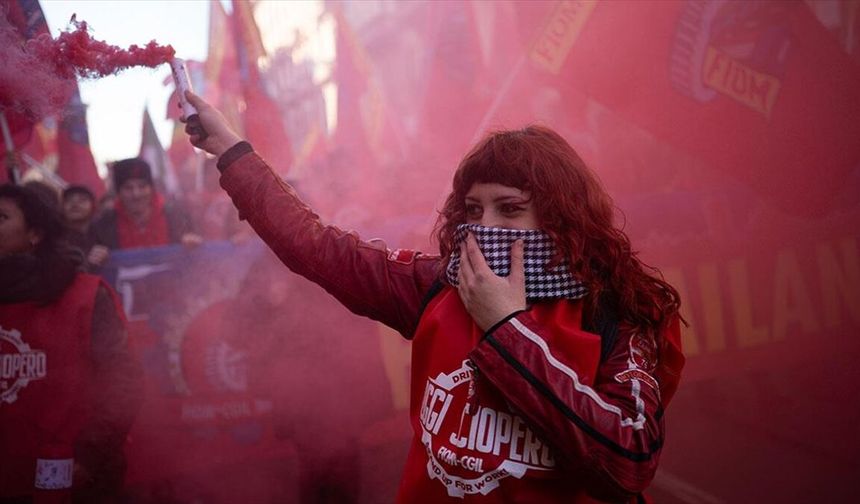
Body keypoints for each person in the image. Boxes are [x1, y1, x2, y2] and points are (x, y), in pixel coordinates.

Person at [183, 92, 685, 503]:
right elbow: (319, 248)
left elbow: (628, 461)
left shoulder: (615, 310)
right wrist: (231, 151)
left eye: (510, 209)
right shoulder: (441, 285)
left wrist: (506, 328)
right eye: (474, 210)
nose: (485, 228)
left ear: (561, 218)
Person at [0, 183, 144, 503]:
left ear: (35, 233)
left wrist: (88, 457)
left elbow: (123, 382)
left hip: (72, 478)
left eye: (1, 217)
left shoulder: (85, 296)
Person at [90, 158, 202, 256]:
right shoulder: (103, 225)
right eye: (128, 188)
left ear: (151, 188)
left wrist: (193, 243)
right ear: (118, 192)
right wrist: (94, 259)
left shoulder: (177, 217)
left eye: (142, 186)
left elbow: (201, 260)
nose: (136, 194)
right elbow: (89, 262)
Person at [61, 184, 109, 268]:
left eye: (82, 200)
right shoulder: (55, 237)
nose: (75, 204)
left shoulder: (103, 233)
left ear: (93, 206)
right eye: (69, 200)